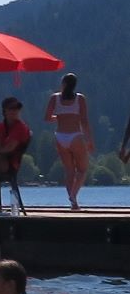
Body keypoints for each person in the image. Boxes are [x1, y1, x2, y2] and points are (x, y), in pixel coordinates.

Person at [43, 73, 93, 210]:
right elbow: (84, 120)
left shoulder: (55, 98)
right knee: (82, 170)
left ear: (63, 83)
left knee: (69, 170)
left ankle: (74, 203)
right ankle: (73, 195)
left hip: (60, 136)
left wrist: (59, 117)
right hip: (75, 135)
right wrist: (89, 140)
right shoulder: (80, 98)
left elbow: (47, 118)